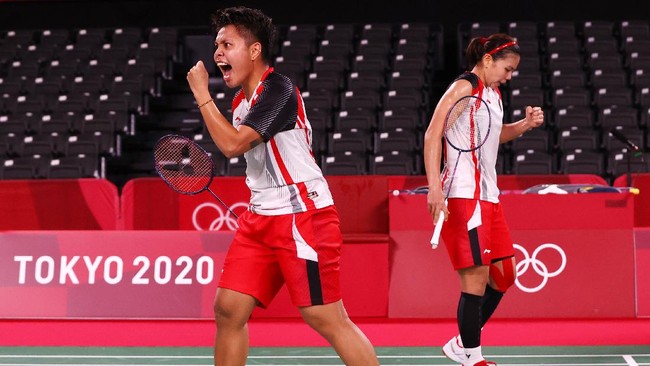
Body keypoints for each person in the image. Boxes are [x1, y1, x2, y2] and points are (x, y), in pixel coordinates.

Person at [185, 6, 379, 366]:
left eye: (227, 44)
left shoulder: (279, 89)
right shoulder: (241, 102)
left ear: (254, 50)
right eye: (216, 46)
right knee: (228, 310)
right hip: (260, 220)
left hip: (303, 216)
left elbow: (232, 145)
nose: (217, 54)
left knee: (324, 316)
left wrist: (201, 95)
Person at [423, 33, 544, 366]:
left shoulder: (492, 94)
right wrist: (434, 187)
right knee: (475, 278)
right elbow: (434, 132)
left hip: (489, 195)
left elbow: (496, 133)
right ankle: (472, 358)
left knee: (504, 276)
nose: (509, 76)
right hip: (463, 194)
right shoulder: (465, 88)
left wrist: (523, 125)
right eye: (507, 68)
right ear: (488, 60)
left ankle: (461, 343)